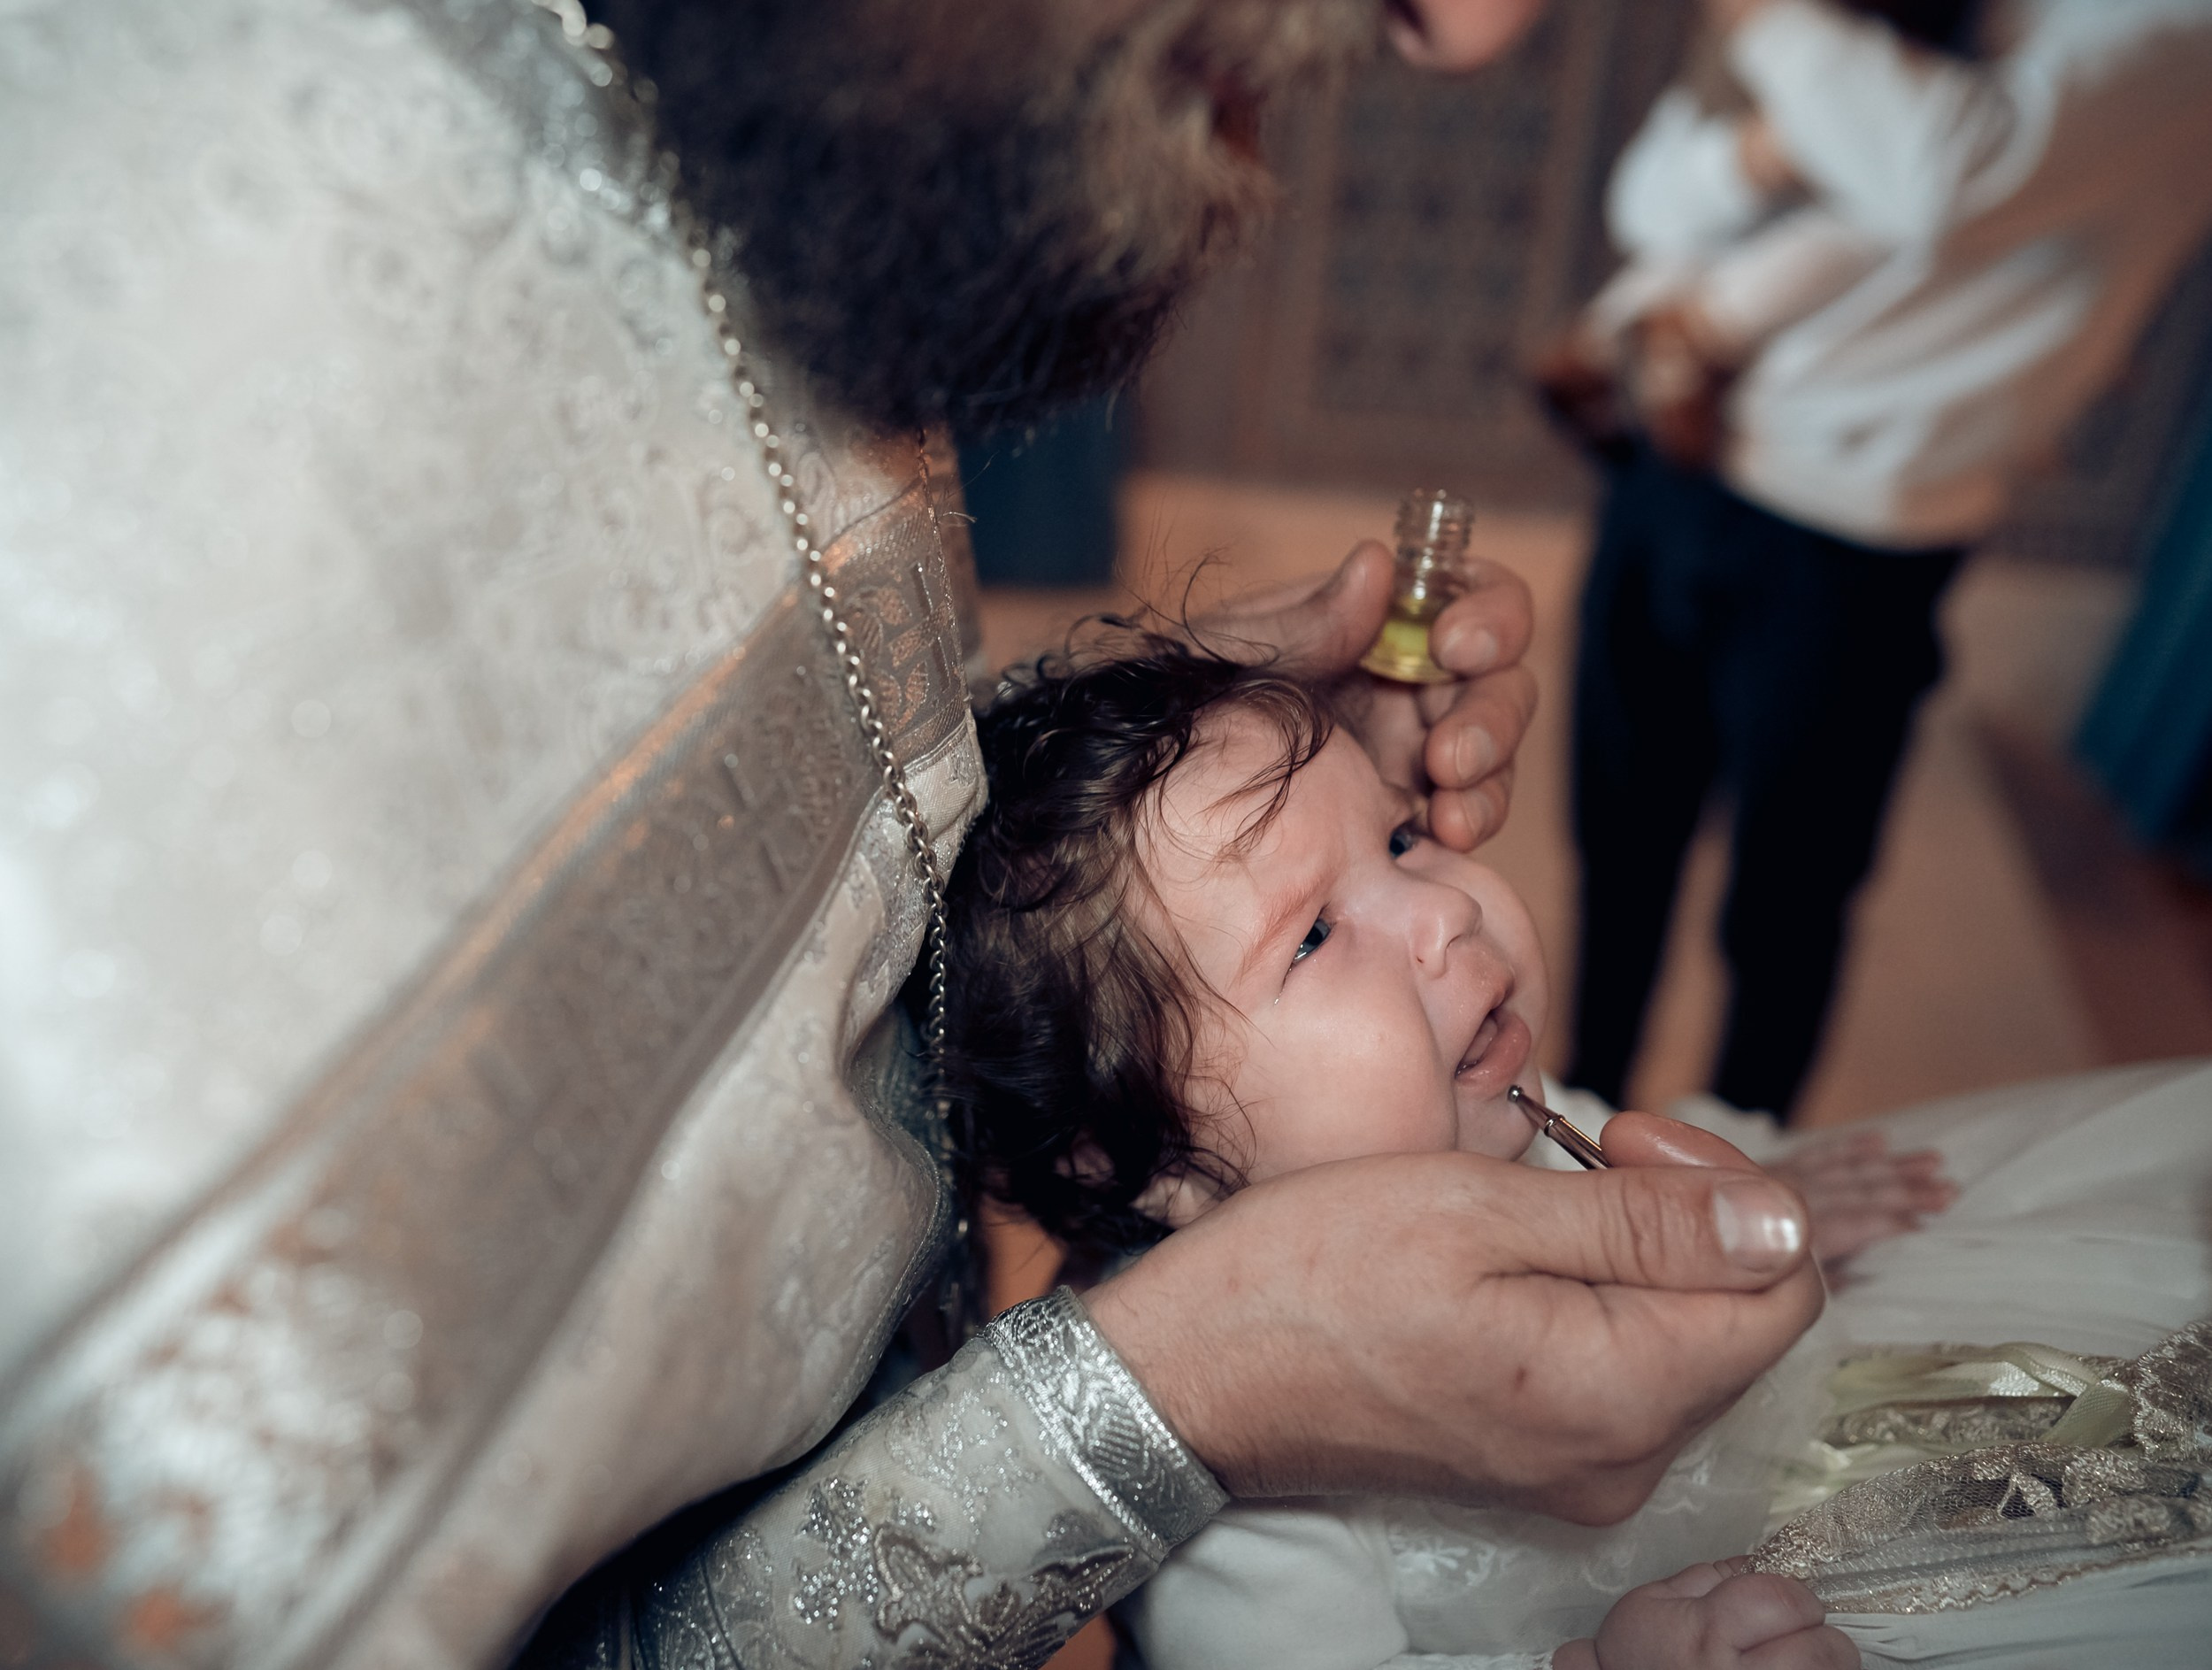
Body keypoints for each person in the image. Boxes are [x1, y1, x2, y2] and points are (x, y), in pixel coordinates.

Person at [0, 4, 1835, 1669]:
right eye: (1316, 936)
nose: (1473, 23)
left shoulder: (791, 100)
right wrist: (1178, 1389)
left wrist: (1152, 810)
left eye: (1405, 865)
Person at [944, 630, 2212, 1668]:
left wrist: (1754, 1176)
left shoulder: (1498, 1103)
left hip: (1848, 1445)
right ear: (1141, 1160)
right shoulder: (1244, 1492)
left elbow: (1616, 1138)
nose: (1445, 906)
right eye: (1316, 936)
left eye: (1398, 839)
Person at [1562, 0, 2212, 1120]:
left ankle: (1742, 1169)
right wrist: (1769, 146)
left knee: (1785, 907)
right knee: (1619, 848)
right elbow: (1650, 200)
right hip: (1666, 464)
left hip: (1855, 535)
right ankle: (1570, 1119)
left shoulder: (2167, 29)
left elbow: (1949, 171)